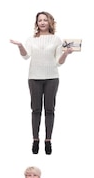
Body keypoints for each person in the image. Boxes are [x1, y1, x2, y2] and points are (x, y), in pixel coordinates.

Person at [9, 11, 72, 155]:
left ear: (50, 22)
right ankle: (35, 140)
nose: (42, 22)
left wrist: (66, 54)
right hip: (34, 78)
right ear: (36, 23)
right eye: (39, 20)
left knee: (50, 109)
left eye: (45, 20)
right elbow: (26, 56)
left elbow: (58, 62)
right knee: (36, 109)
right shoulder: (31, 39)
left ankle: (48, 141)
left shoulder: (56, 39)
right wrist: (20, 45)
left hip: (51, 78)